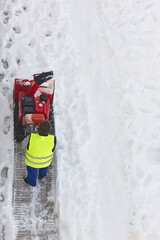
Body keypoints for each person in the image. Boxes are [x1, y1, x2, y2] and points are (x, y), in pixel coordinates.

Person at [24, 120, 56, 187]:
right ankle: (42, 176)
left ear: (38, 128)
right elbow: (53, 149)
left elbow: (25, 146)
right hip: (45, 162)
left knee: (32, 173)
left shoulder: (32, 137)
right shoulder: (53, 138)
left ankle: (31, 183)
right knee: (44, 169)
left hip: (32, 162)